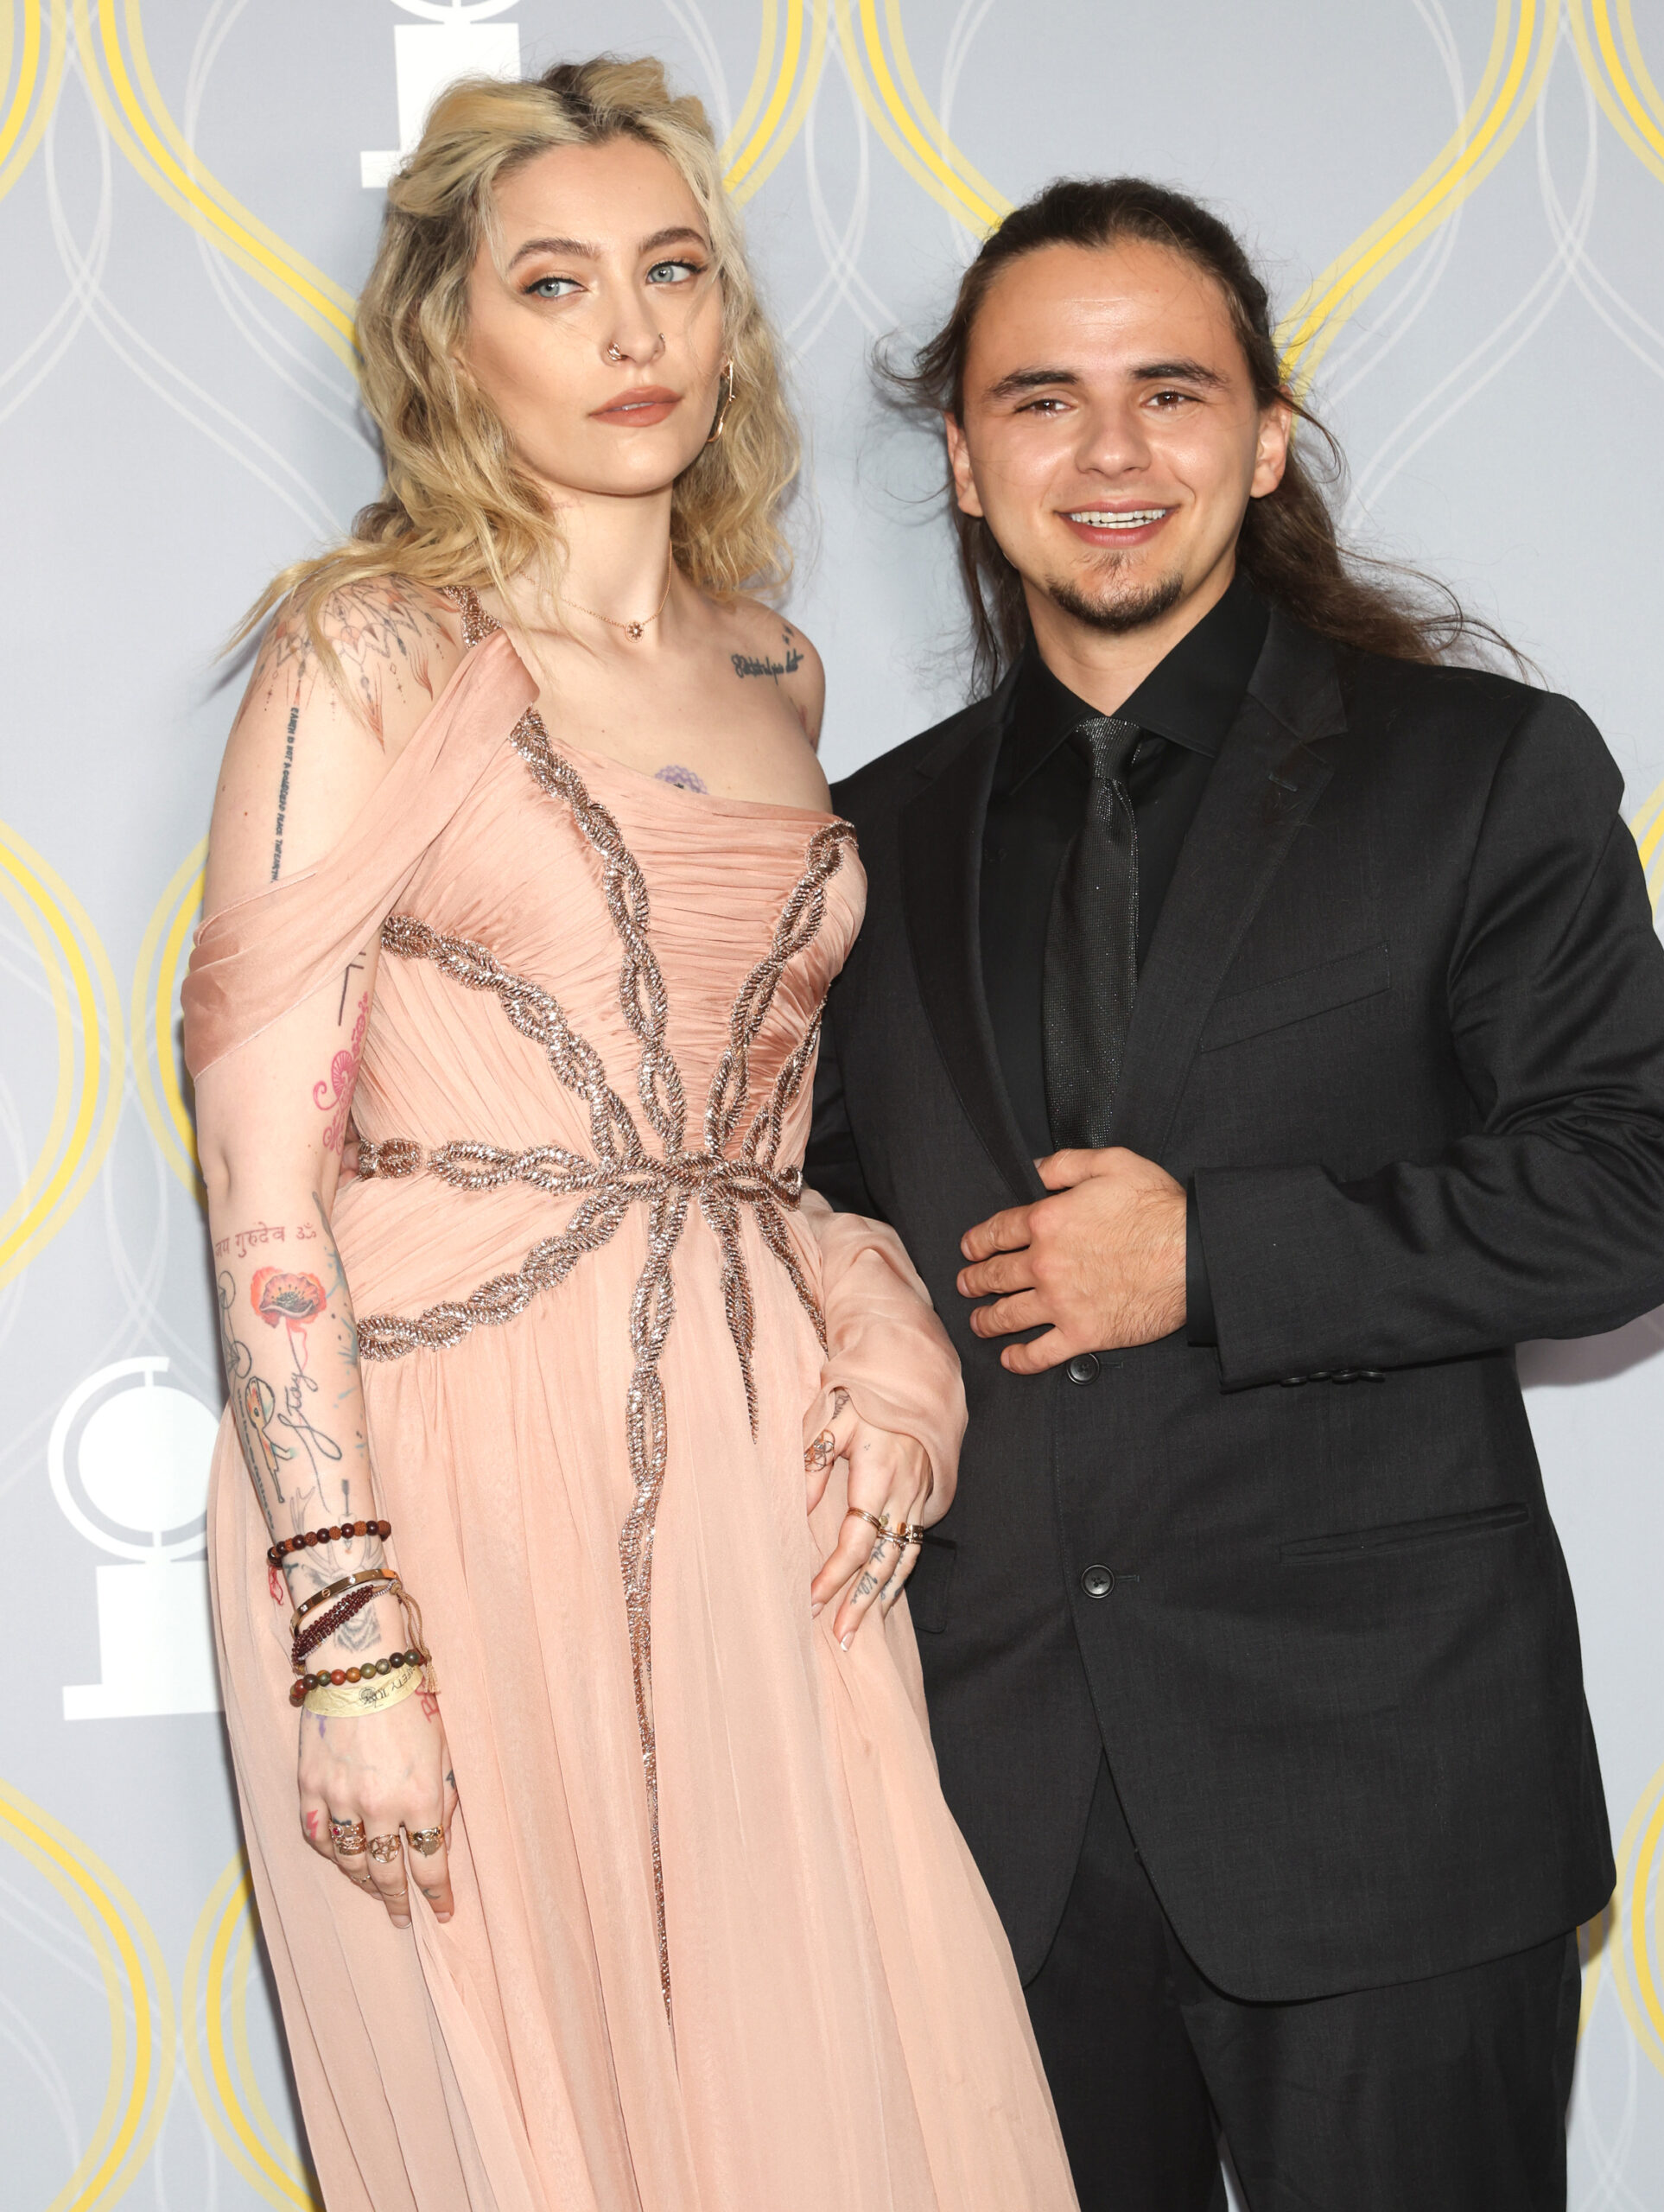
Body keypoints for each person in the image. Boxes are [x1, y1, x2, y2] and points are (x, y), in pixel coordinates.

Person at [186, 58, 1077, 2212]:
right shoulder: (368, 649)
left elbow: (778, 1143)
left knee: (856, 2077)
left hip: (758, 1465)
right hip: (447, 1454)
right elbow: (262, 1181)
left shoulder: (775, 668)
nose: (633, 331)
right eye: (559, 283)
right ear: (450, 341)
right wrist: (349, 1632)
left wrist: (885, 1334)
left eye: (672, 272)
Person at [808, 176, 1664, 2212]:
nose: (1112, 454)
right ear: (963, 460)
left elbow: (1634, 1195)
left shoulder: (1479, 769)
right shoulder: (865, 834)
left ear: (1265, 436)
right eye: (1042, 400)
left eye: (1171, 393)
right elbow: (830, 1232)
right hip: (999, 1820)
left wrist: (1213, 1253)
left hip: (1386, 1802)